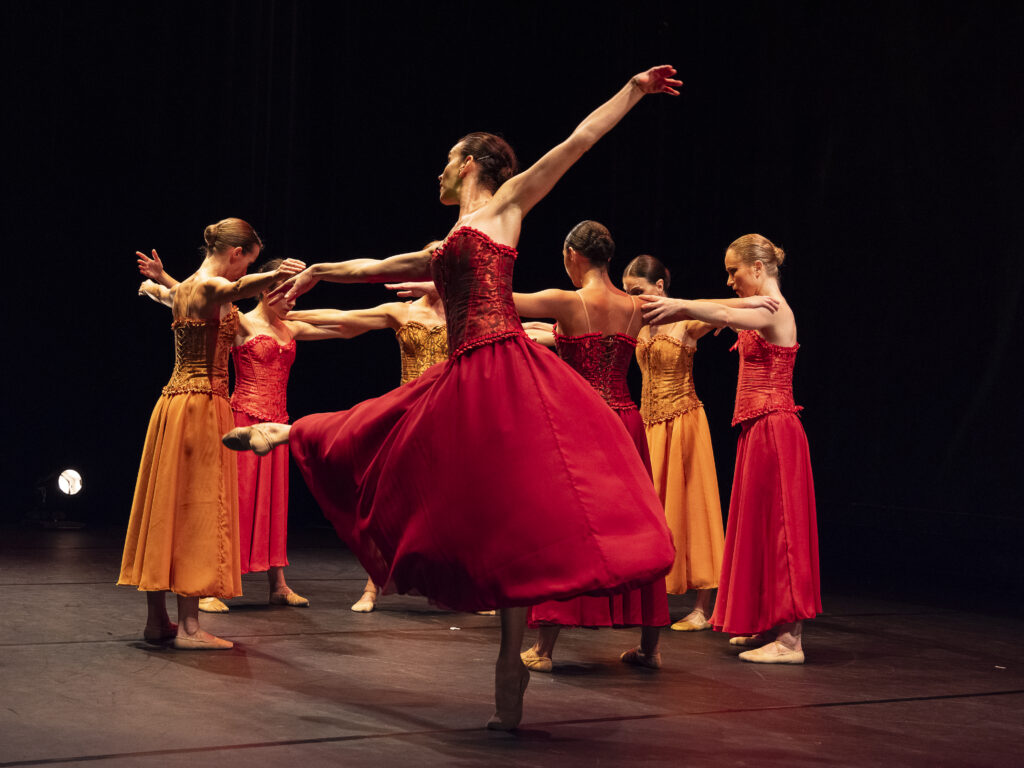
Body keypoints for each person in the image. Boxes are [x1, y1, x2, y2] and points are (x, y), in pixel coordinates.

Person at [224, 66, 682, 728]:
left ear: (471, 163)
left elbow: (579, 139)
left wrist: (634, 90)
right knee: (380, 427)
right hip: (463, 369)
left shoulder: (507, 206)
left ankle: (508, 661)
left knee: (517, 509)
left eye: (447, 162)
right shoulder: (443, 244)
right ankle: (286, 433)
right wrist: (323, 270)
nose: (439, 172)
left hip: (504, 367)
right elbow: (381, 267)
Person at [119, 218, 304, 650]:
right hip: (202, 405)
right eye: (248, 263)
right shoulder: (211, 288)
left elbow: (178, 291)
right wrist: (277, 275)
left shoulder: (185, 288)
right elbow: (231, 290)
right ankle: (188, 628)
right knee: (198, 506)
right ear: (235, 253)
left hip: (172, 405)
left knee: (168, 502)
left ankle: (157, 621)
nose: (244, 273)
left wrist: (159, 278)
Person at [640, 233, 820, 664]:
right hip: (756, 429)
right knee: (758, 528)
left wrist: (680, 306)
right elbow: (724, 308)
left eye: (734, 271)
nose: (731, 279)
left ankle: (791, 641)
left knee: (781, 531)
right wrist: (694, 307)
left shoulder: (772, 307)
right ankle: (767, 624)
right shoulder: (755, 308)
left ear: (758, 269)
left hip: (776, 426)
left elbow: (721, 309)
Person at [513, 221, 669, 671]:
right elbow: (686, 309)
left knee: (566, 525)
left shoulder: (568, 300)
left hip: (582, 423)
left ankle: (544, 648)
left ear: (572, 256)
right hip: (626, 420)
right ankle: (650, 647)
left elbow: (499, 300)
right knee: (640, 524)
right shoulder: (636, 305)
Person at [287, 280, 447, 613]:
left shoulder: (465, 315)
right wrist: (288, 312)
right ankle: (372, 587)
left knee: (455, 503)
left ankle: (470, 587)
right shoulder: (401, 311)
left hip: (450, 412)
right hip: (406, 413)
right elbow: (346, 318)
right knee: (387, 500)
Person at [621, 254, 724, 631]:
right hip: (649, 426)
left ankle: (701, 607)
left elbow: (726, 311)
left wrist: (684, 306)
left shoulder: (686, 322)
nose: (635, 298)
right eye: (629, 292)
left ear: (661, 287)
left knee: (693, 506)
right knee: (652, 514)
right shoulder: (635, 323)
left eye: (640, 290)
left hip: (683, 421)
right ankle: (649, 601)